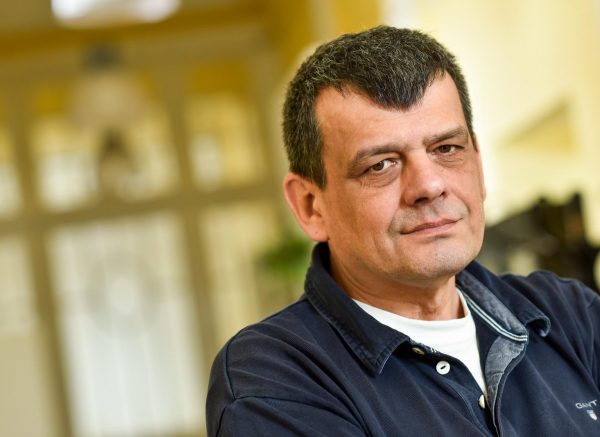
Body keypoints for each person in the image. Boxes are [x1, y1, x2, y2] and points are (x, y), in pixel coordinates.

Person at [206, 26, 600, 436]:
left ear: (478, 166)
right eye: (380, 165)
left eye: (446, 149)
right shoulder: (274, 380)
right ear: (310, 206)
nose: (429, 185)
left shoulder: (568, 315)